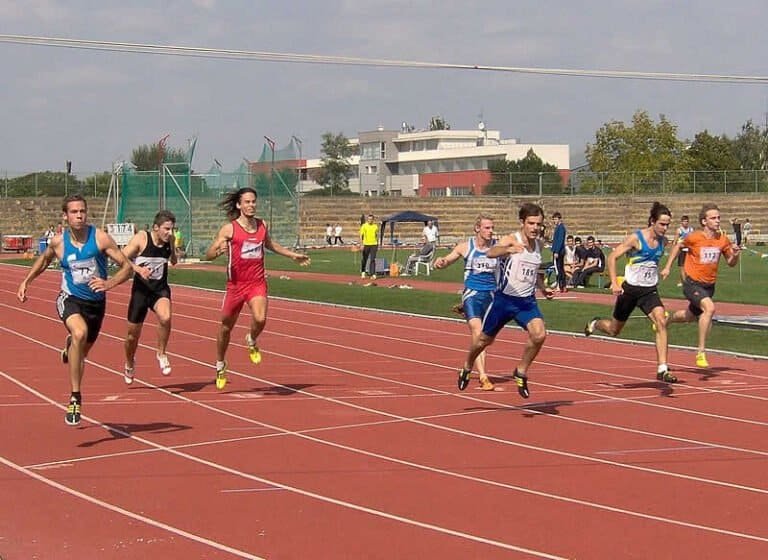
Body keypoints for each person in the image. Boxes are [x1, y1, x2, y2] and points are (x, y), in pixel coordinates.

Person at [16, 194, 132, 425]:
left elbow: (127, 267)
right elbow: (44, 259)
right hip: (69, 299)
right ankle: (75, 397)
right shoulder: (58, 242)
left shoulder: (99, 238)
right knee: (79, 333)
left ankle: (70, 348)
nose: (79, 216)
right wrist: (26, 281)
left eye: (82, 211)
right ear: (65, 216)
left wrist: (108, 284)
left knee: (81, 355)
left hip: (96, 304)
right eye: (74, 212)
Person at [205, 187, 310, 390]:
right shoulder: (229, 229)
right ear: (239, 205)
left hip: (256, 283)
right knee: (226, 328)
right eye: (247, 202)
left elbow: (270, 244)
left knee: (260, 318)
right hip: (235, 286)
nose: (251, 205)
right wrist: (217, 251)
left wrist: (292, 255)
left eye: (254, 201)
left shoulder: (262, 225)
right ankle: (220, 364)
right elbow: (208, 254)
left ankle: (251, 339)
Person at [457, 203, 554, 398]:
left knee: (540, 335)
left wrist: (543, 288)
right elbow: (490, 253)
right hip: (504, 300)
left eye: (539, 224)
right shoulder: (511, 239)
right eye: (531, 223)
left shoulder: (539, 245)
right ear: (522, 223)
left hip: (526, 302)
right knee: (483, 340)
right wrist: (509, 249)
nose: (535, 228)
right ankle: (467, 365)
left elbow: (534, 272)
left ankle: (521, 371)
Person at [584, 202, 675, 383]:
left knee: (661, 321)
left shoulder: (663, 241)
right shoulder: (636, 238)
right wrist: (614, 284)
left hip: (649, 291)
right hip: (630, 290)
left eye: (668, 225)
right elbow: (612, 257)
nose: (665, 228)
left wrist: (667, 267)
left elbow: (677, 247)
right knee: (614, 329)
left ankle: (662, 368)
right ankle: (596, 323)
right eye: (662, 224)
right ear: (652, 221)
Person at [661, 203, 740, 368]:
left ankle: (667, 320)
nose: (717, 221)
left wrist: (736, 254)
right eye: (713, 218)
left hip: (709, 286)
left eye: (718, 217)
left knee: (689, 316)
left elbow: (731, 263)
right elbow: (678, 246)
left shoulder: (722, 240)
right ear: (704, 221)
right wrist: (668, 267)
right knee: (709, 309)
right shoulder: (694, 237)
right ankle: (701, 352)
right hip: (692, 282)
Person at [435, 214, 498, 391]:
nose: (491, 231)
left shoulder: (497, 248)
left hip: (492, 297)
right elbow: (448, 259)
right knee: (478, 334)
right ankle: (483, 376)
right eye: (487, 228)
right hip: (472, 295)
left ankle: (467, 366)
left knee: (485, 339)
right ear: (477, 228)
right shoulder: (466, 247)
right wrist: (441, 262)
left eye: (492, 228)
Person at [121, 210, 178, 385]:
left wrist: (174, 253)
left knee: (166, 316)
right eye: (166, 229)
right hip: (140, 292)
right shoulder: (142, 238)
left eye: (172, 229)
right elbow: (120, 256)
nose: (170, 232)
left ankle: (161, 353)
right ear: (156, 228)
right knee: (132, 336)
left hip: (159, 290)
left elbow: (173, 260)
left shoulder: (170, 240)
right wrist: (138, 269)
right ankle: (130, 362)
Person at [675, 215, 695, 287]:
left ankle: (683, 281)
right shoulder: (679, 230)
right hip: (682, 250)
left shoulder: (691, 230)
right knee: (682, 267)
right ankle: (684, 282)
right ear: (681, 222)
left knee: (688, 267)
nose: (685, 223)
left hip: (689, 250)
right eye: (684, 221)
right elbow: (675, 241)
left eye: (687, 221)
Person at [550, 212, 567, 292]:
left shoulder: (561, 228)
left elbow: (560, 240)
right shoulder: (558, 227)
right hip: (558, 250)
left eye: (556, 219)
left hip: (559, 251)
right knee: (560, 268)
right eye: (554, 219)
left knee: (559, 269)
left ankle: (561, 285)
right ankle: (562, 285)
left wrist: (556, 251)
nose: (554, 221)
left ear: (559, 219)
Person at [359, 214, 379, 279]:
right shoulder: (364, 226)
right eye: (369, 219)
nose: (370, 220)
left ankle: (372, 274)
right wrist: (361, 244)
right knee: (364, 259)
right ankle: (363, 272)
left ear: (373, 220)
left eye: (371, 219)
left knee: (373, 259)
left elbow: (376, 235)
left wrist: (377, 243)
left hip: (374, 244)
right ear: (367, 219)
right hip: (366, 244)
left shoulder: (375, 226)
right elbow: (361, 236)